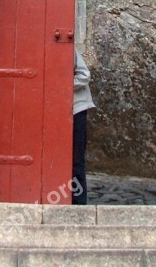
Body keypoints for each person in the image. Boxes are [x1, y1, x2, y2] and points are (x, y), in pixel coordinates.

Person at [72, 50, 95, 205]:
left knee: (76, 158)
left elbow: (84, 75)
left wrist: (61, 84)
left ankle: (79, 200)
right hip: (61, 109)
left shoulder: (70, 51)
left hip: (77, 109)